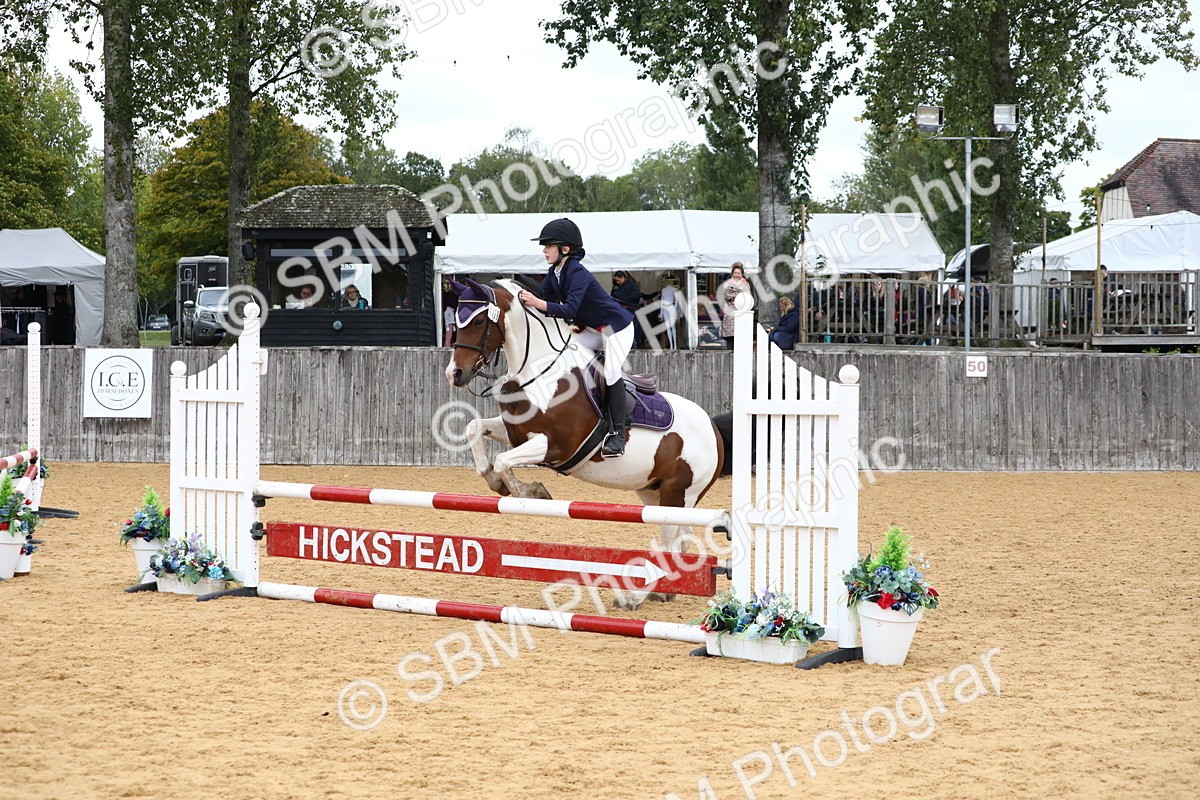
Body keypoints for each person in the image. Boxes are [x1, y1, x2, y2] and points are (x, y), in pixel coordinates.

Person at [517, 218, 635, 458]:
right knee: (569, 355)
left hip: (616, 328)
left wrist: (538, 301)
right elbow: (544, 296)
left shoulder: (577, 272)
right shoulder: (555, 272)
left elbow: (569, 309)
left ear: (565, 249)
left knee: (611, 372)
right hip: (592, 329)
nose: (544, 250)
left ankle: (617, 435)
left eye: (548, 245)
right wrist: (519, 286)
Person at [610, 271, 647, 349]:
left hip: (633, 312)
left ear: (622, 278)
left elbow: (637, 294)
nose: (617, 282)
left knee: (635, 330)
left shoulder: (631, 285)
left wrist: (626, 299)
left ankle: (635, 344)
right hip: (627, 312)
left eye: (618, 280)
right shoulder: (620, 287)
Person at [719, 262, 752, 348]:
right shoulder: (727, 284)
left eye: (739, 273)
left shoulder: (746, 284)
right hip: (729, 311)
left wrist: (737, 294)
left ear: (741, 274)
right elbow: (726, 296)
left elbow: (747, 296)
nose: (737, 274)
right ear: (732, 274)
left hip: (741, 311)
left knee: (740, 335)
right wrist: (739, 293)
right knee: (730, 336)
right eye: (735, 273)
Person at [658, 274, 684, 350]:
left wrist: (675, 309)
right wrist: (661, 312)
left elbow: (676, 301)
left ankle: (675, 345)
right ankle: (671, 345)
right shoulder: (663, 290)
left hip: (671, 307)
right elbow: (662, 301)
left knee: (672, 327)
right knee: (668, 327)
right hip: (666, 308)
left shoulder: (674, 289)